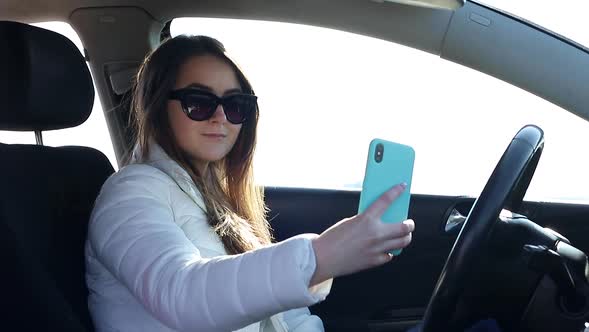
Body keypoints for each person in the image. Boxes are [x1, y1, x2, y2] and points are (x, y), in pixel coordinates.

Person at [85, 34, 415, 332]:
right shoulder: (128, 192)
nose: (221, 117)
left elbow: (286, 315)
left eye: (235, 105)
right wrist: (320, 256)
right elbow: (181, 294)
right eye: (198, 102)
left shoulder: (214, 196)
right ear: (157, 107)